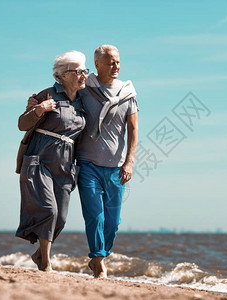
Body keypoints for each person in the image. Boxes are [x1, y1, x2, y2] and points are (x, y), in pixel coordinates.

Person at [15, 50, 88, 272]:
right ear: (62, 75)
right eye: (78, 71)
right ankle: (46, 263)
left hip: (65, 163)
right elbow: (22, 124)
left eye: (85, 71)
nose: (83, 75)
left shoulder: (85, 100)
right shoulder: (47, 94)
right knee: (49, 210)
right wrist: (38, 109)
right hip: (40, 158)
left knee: (62, 217)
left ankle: (39, 255)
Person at [76, 44, 138, 278]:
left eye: (118, 62)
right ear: (98, 65)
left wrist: (129, 162)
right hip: (88, 165)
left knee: (113, 221)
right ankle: (98, 261)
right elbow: (63, 95)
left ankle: (100, 255)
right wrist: (38, 99)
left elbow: (133, 131)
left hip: (115, 168)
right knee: (95, 216)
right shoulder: (85, 89)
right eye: (111, 62)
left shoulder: (128, 93)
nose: (116, 66)